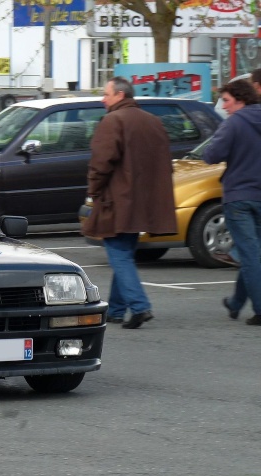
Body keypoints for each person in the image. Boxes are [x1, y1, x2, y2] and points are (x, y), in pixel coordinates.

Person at [82, 76, 177, 329]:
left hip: (118, 201)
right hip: (142, 203)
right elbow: (164, 164)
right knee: (123, 253)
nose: (103, 99)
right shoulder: (153, 122)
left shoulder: (113, 120)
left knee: (118, 254)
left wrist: (94, 192)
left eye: (107, 94)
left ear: (120, 95)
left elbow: (101, 163)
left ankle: (139, 306)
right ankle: (115, 310)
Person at [203, 79, 261, 325]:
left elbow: (211, 155)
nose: (224, 106)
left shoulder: (235, 123)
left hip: (239, 196)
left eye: (226, 100)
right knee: (253, 253)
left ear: (241, 99)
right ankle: (236, 302)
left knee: (250, 255)